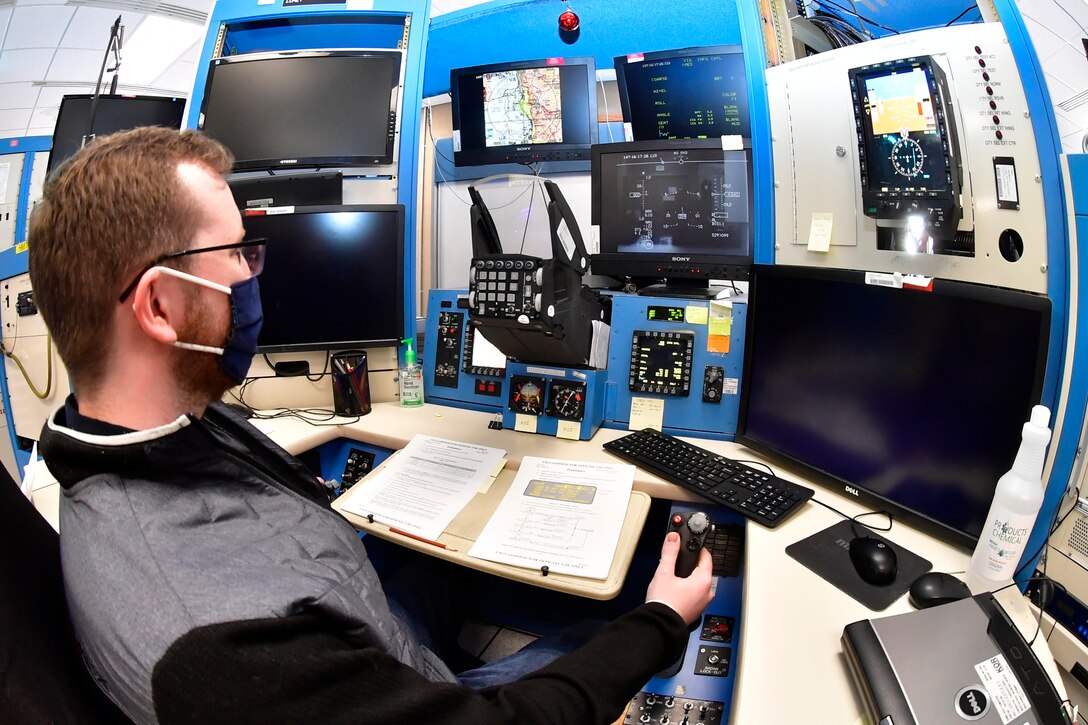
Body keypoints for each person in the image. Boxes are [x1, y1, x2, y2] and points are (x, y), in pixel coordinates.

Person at [29, 127, 714, 724]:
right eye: (237, 253)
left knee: (433, 567)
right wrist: (661, 618)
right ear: (157, 305)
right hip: (412, 690)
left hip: (366, 624)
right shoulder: (225, 656)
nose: (254, 272)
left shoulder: (149, 434)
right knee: (606, 628)